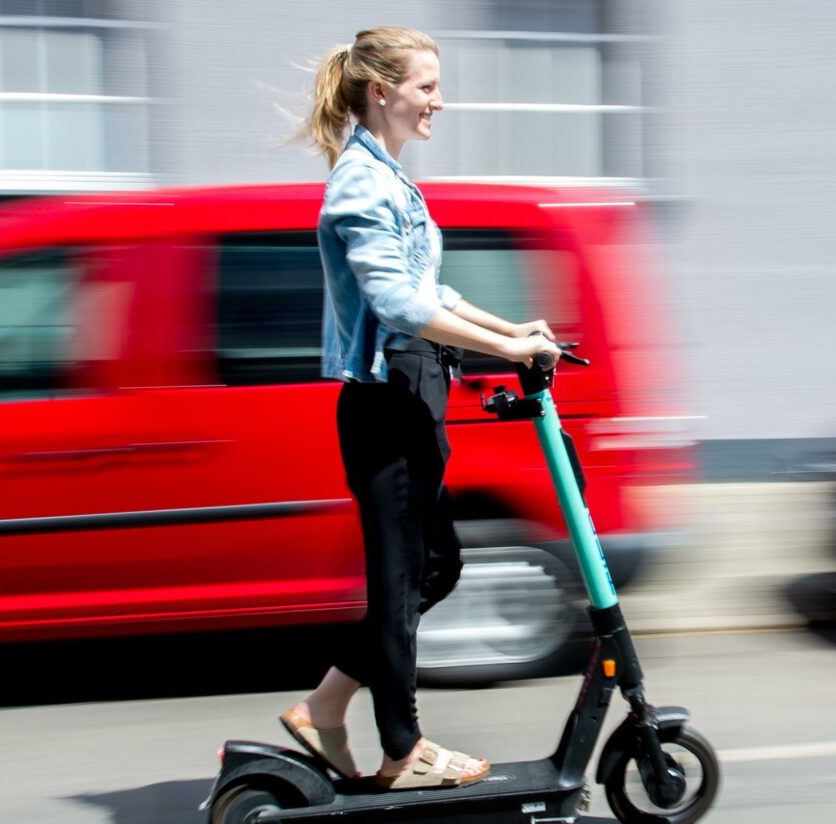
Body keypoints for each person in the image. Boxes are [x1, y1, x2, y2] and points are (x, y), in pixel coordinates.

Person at [278, 25, 562, 791]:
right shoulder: (360, 185)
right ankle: (402, 750)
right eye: (427, 87)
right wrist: (504, 354)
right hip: (387, 398)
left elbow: (429, 288)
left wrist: (514, 329)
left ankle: (325, 708)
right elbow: (399, 302)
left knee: (435, 567)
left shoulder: (390, 178)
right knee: (401, 581)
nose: (440, 100)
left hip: (415, 391)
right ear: (383, 91)